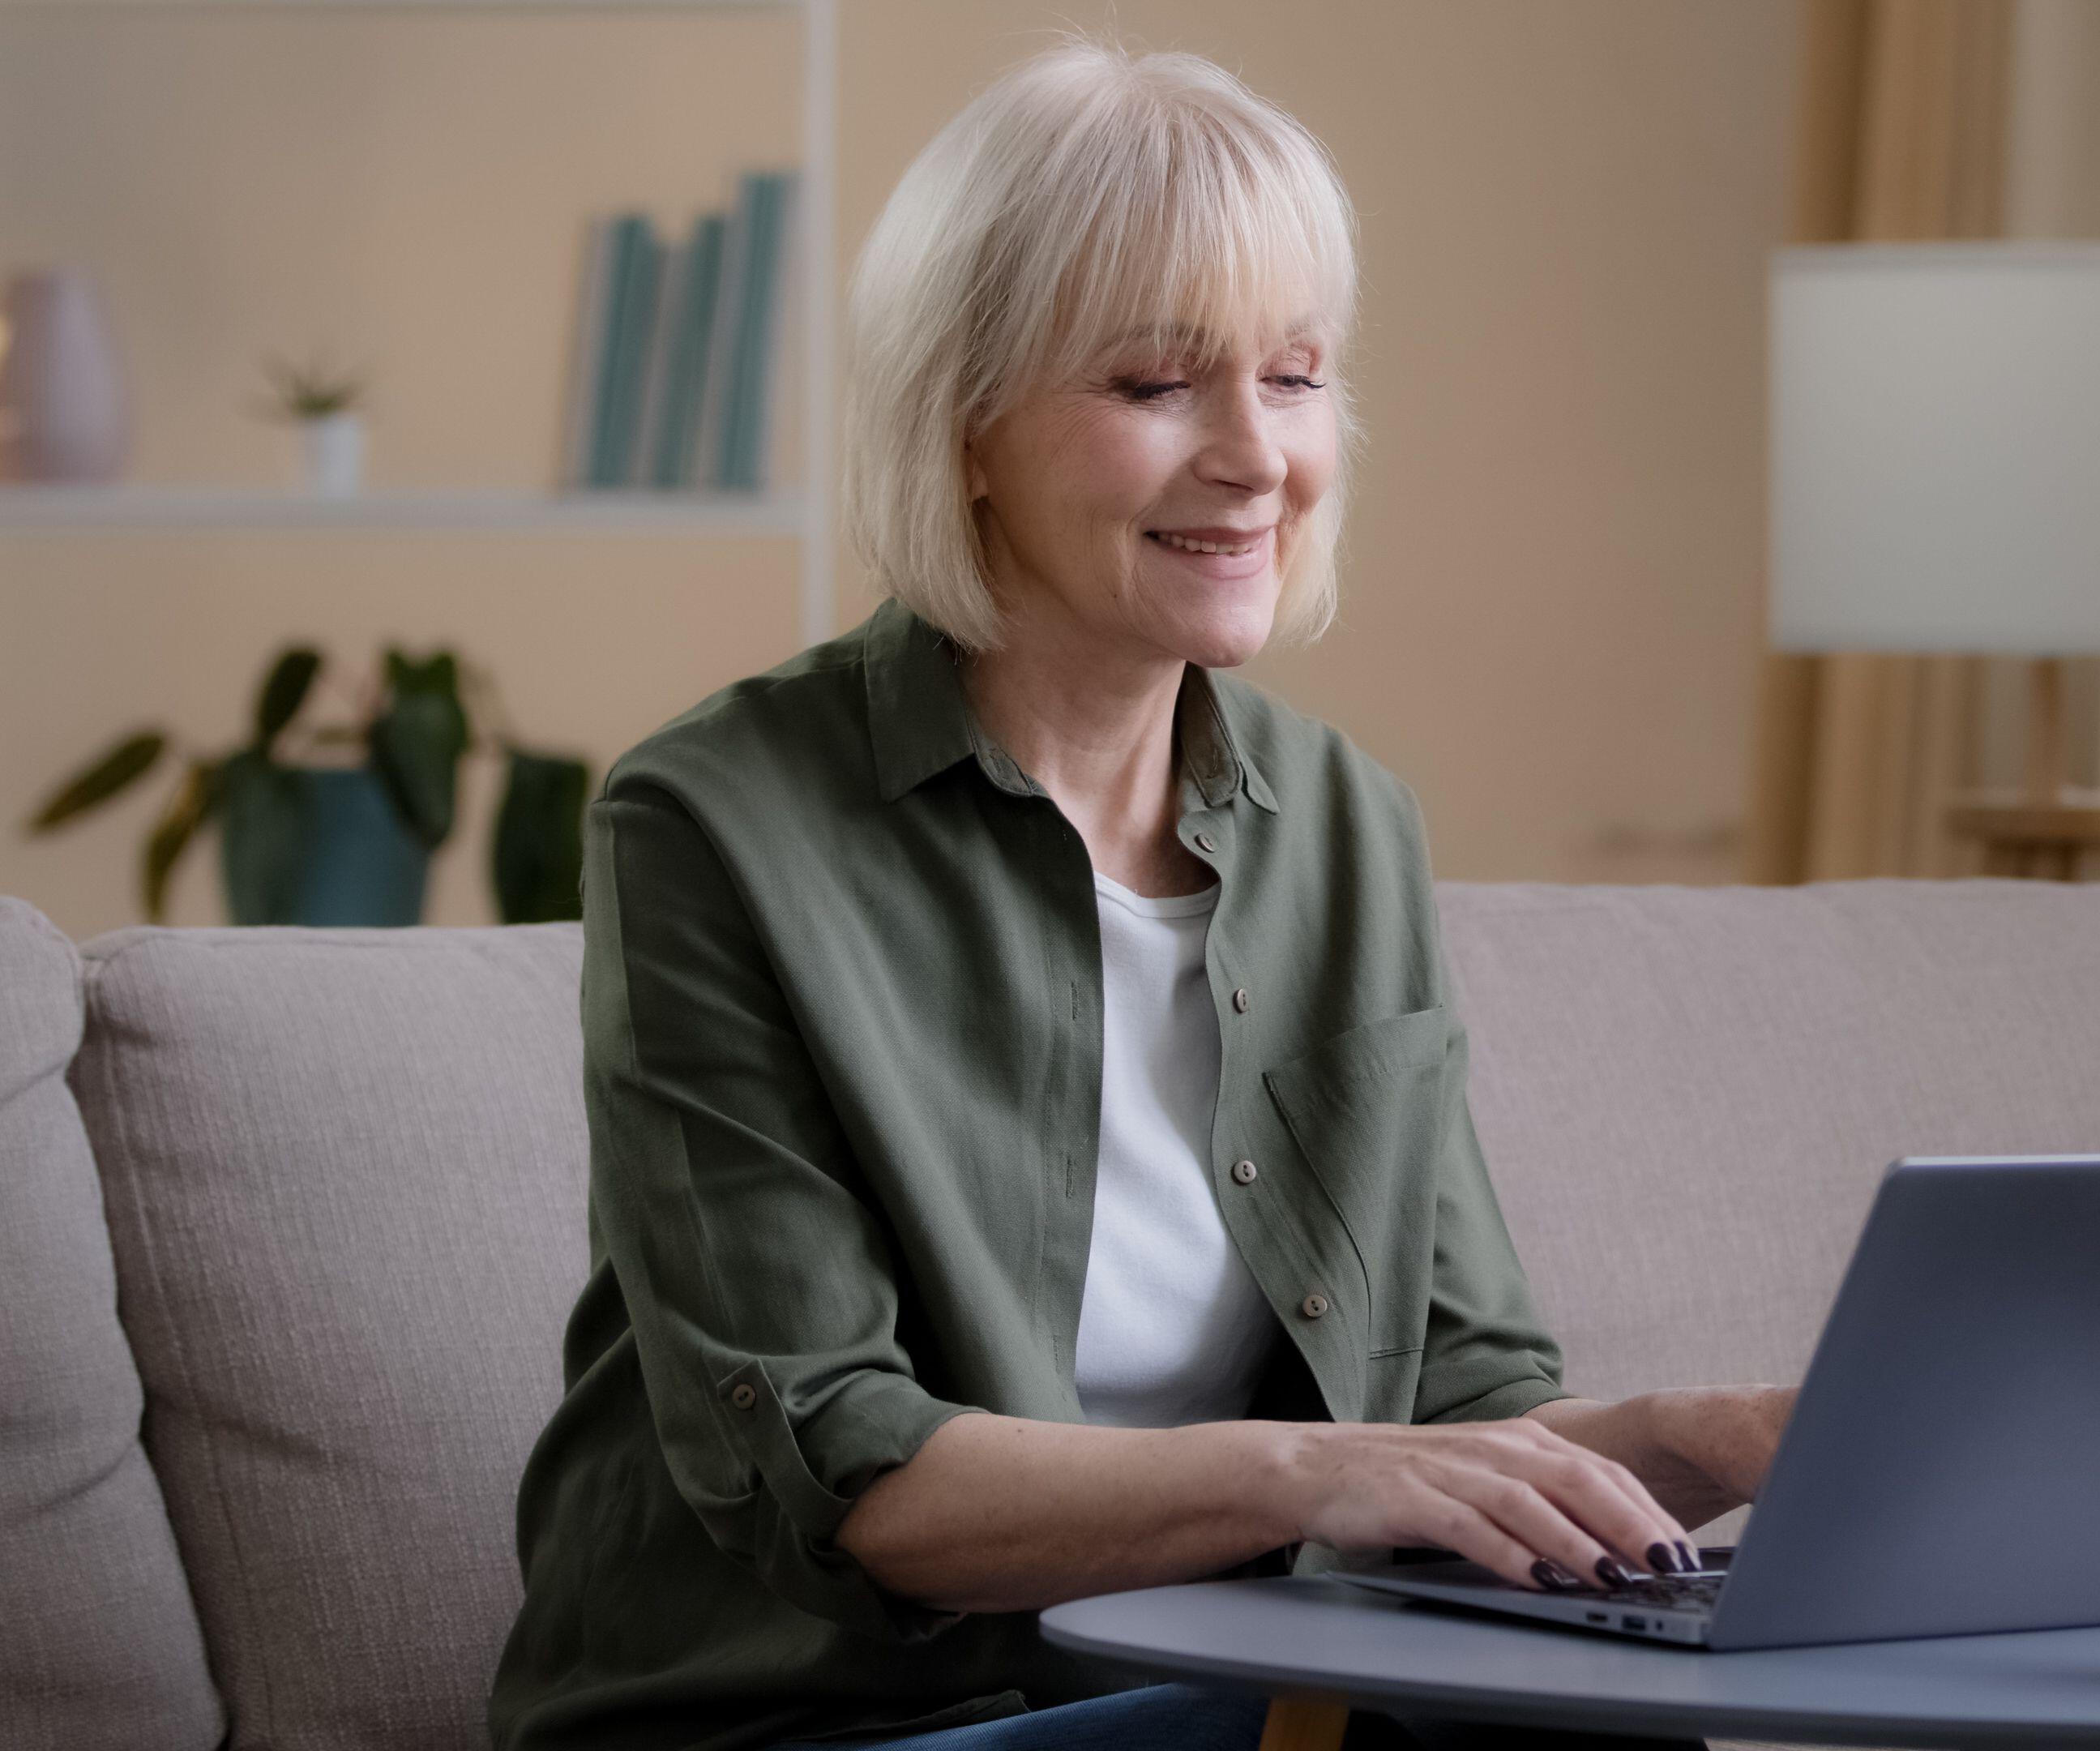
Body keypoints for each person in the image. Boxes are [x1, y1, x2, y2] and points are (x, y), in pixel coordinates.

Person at [485, 36, 1793, 1751]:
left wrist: (1708, 1439)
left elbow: (1457, 1400)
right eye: (1158, 386)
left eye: (1299, 376)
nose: (1258, 458)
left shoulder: (1345, 824)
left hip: (1237, 1698)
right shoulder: (715, 823)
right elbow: (844, 1466)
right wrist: (1316, 1482)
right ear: (963, 427)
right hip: (837, 1718)